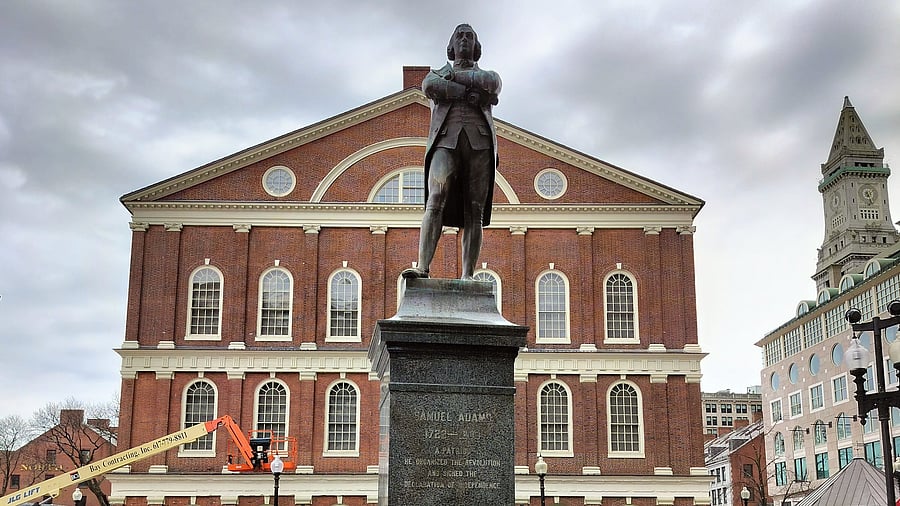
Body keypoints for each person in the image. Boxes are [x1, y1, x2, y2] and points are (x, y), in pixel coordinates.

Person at [402, 23, 502, 281]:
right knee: (435, 198)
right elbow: (430, 86)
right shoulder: (437, 74)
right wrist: (469, 91)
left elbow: (492, 83)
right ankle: (423, 267)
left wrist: (457, 82)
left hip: (480, 144)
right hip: (445, 142)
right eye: (460, 36)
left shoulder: (487, 76)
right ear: (452, 45)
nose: (465, 40)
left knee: (475, 210)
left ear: (476, 46)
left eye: (470, 36)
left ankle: (467, 275)